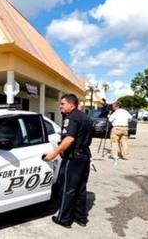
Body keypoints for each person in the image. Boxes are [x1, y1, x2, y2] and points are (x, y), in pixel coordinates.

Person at [44, 93, 93, 228]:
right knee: (80, 189)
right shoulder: (84, 117)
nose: (60, 106)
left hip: (73, 158)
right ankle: (81, 217)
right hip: (84, 157)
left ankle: (64, 219)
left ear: (71, 105)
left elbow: (69, 139)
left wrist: (53, 154)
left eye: (62, 103)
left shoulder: (71, 118)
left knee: (67, 188)